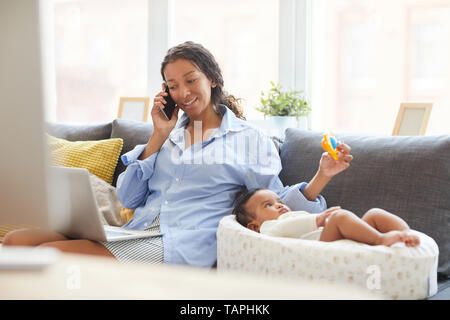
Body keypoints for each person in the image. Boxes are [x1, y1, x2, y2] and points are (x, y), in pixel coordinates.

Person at [3, 41, 353, 267]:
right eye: (173, 86)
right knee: (15, 242)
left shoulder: (249, 139)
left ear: (212, 79)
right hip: (138, 229)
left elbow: (274, 205)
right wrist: (157, 136)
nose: (183, 92)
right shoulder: (166, 136)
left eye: (190, 80)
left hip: (181, 246)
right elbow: (128, 196)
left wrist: (322, 175)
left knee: (57, 257)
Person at [233, 188, 420, 247]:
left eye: (278, 200)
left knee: (374, 214)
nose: (279, 205)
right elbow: (282, 230)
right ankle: (381, 239)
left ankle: (406, 234)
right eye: (268, 205)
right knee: (339, 217)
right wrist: (318, 220)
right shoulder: (267, 229)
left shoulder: (292, 214)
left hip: (339, 237)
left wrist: (320, 221)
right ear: (253, 227)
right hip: (324, 247)